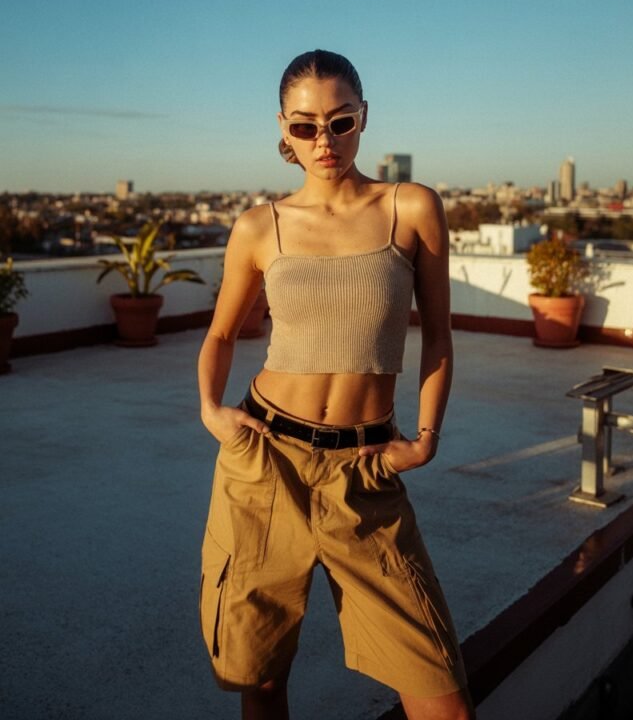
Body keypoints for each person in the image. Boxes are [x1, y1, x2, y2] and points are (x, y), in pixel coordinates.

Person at [197, 50, 475, 720]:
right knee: (259, 679)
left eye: (340, 121)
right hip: (267, 464)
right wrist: (212, 411)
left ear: (363, 118)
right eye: (305, 126)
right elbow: (222, 335)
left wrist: (427, 438)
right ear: (284, 130)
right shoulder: (260, 226)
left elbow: (438, 334)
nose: (325, 141)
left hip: (366, 469)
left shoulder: (411, 207)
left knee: (441, 695)